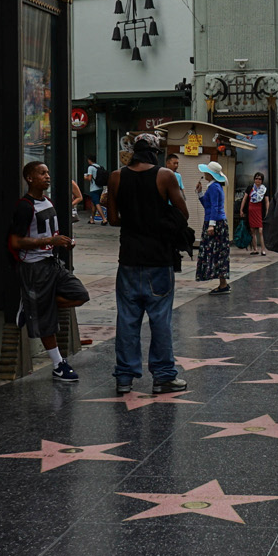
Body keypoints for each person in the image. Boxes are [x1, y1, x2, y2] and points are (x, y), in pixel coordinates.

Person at [105, 133, 192, 396]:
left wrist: (134, 221)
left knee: (128, 320)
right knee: (160, 320)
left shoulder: (117, 176)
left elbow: (112, 219)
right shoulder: (164, 175)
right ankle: (164, 376)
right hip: (158, 259)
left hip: (129, 259)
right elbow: (183, 213)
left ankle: (124, 377)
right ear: (156, 152)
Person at [8, 162, 90, 383]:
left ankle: (33, 303)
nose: (47, 176)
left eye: (47, 172)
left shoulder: (47, 201)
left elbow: (49, 233)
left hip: (51, 263)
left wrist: (62, 243)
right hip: (34, 266)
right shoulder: (25, 206)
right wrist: (48, 241)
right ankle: (58, 364)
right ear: (29, 178)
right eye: (41, 173)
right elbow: (16, 241)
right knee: (45, 321)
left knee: (80, 294)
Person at [195, 161, 232, 294]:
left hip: (215, 223)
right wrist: (199, 193)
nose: (204, 174)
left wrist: (211, 225)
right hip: (215, 221)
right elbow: (208, 205)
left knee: (216, 252)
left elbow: (215, 208)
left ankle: (223, 284)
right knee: (217, 252)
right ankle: (223, 282)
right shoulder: (213, 187)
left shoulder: (214, 187)